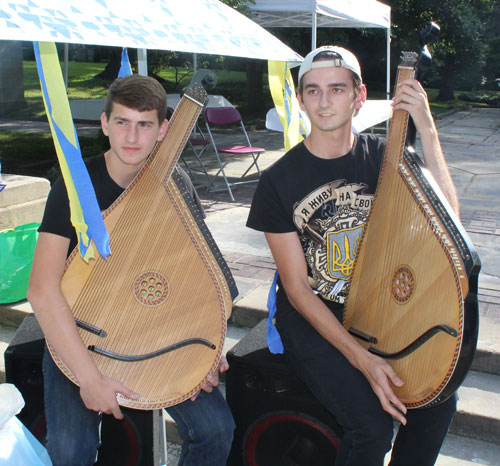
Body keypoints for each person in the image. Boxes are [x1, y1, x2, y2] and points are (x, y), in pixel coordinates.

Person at [247, 45, 459, 466]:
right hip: (314, 318)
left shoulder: (387, 156)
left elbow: (449, 224)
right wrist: (363, 361)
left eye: (337, 89)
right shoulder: (277, 182)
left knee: (437, 402)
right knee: (372, 427)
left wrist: (427, 130)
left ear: (359, 97)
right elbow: (297, 290)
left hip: (382, 310)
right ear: (301, 99)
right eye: (313, 90)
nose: (324, 101)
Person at [27, 74, 235, 466]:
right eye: (122, 122)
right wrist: (89, 380)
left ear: (163, 130)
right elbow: (41, 289)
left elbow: (197, 278)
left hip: (153, 334)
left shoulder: (177, 184)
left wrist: (204, 351)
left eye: (145, 124)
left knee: (216, 430)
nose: (132, 137)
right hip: (83, 336)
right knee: (71, 452)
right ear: (105, 124)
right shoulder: (75, 186)